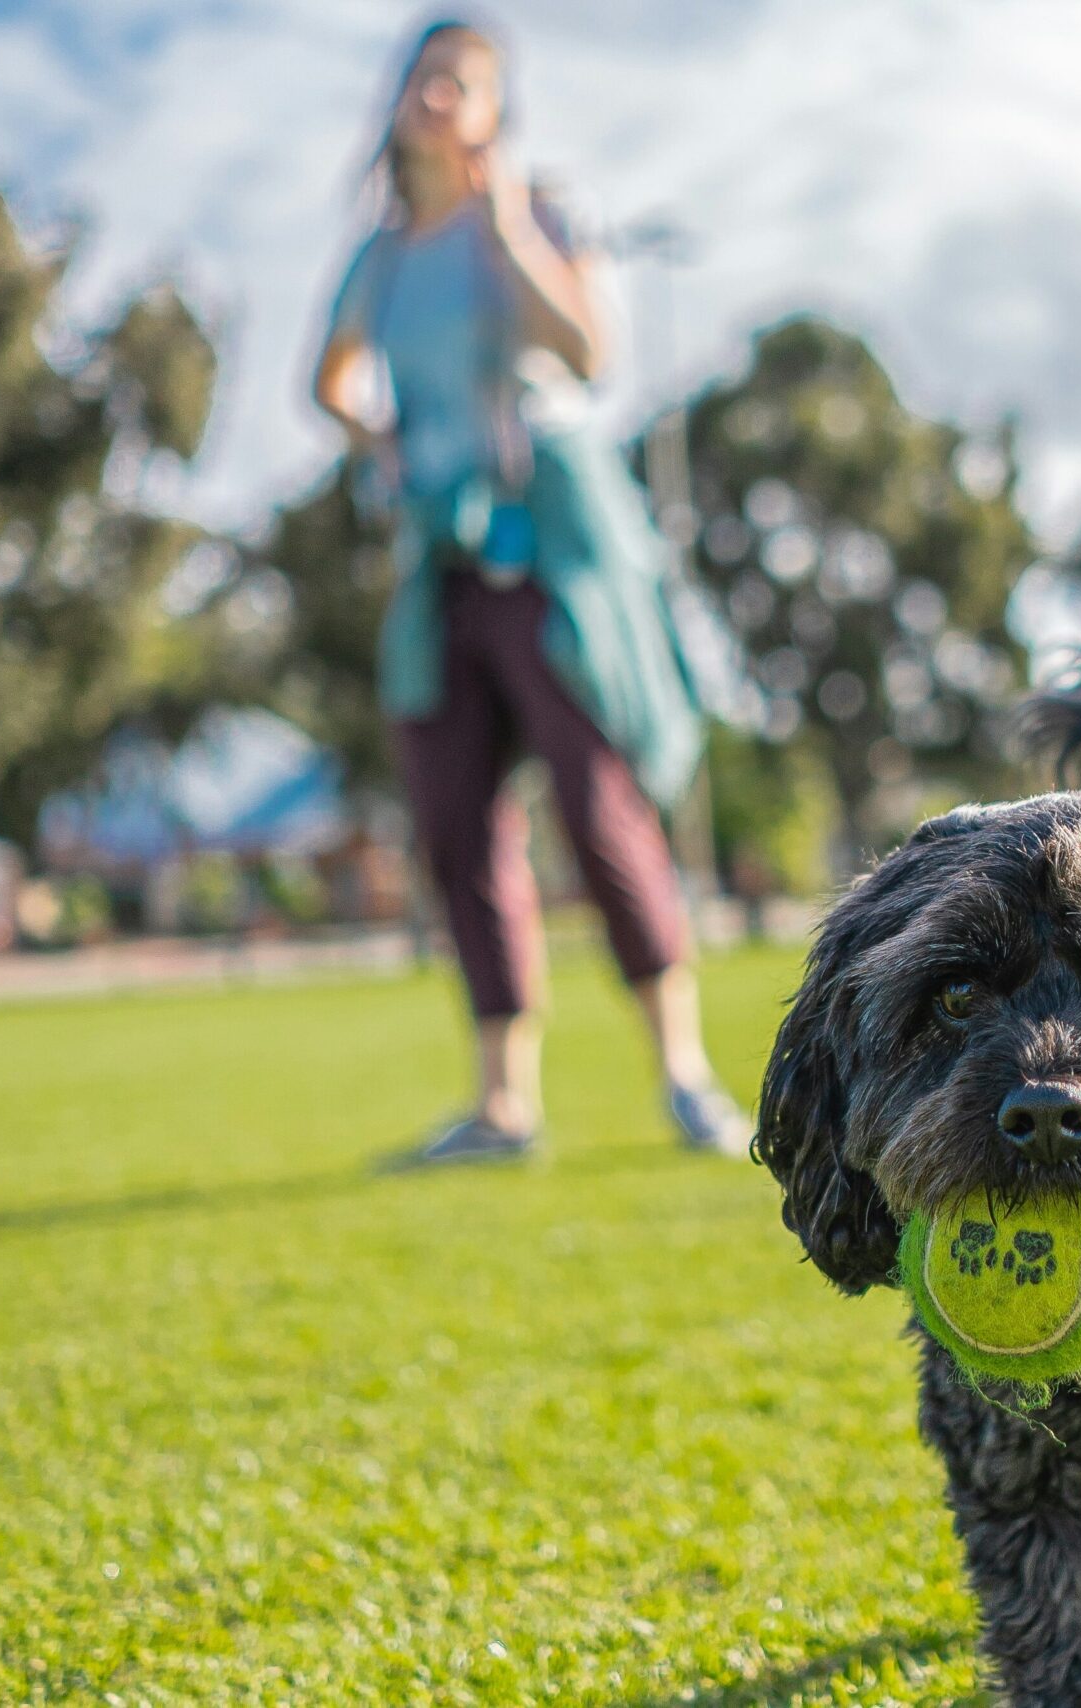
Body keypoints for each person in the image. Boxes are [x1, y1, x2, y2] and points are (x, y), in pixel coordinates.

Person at [313, 17, 748, 1161]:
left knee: (596, 804)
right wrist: (379, 445)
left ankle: (685, 1076)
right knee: (457, 827)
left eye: (464, 82)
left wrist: (505, 223)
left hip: (544, 551)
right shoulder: (384, 253)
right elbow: (330, 377)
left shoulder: (538, 210)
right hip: (440, 561)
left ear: (496, 110)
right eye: (426, 77)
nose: (439, 94)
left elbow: (591, 355)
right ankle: (503, 1104)